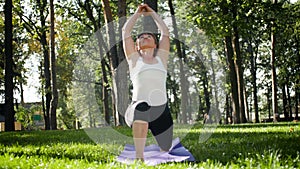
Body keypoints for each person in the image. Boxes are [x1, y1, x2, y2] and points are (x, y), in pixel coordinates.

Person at [122, 4, 173, 160]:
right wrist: (137, 13)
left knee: (166, 148)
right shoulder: (134, 60)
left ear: (156, 44)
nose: (145, 37)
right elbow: (126, 32)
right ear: (136, 46)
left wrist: (152, 13)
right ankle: (139, 156)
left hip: (160, 110)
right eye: (141, 37)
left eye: (149, 36)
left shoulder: (161, 59)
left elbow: (165, 32)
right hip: (138, 107)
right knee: (142, 108)